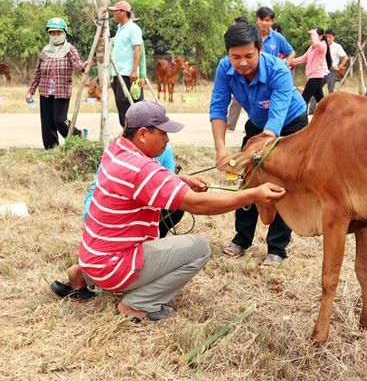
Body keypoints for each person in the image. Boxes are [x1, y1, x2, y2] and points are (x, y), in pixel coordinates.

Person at [50, 101, 286, 321]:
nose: (167, 140)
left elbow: (142, 184)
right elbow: (197, 204)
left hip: (92, 257)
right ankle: (138, 304)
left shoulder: (117, 148)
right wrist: (253, 194)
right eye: (162, 132)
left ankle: (81, 274)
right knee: (199, 249)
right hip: (113, 266)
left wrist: (178, 180)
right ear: (142, 134)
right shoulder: (142, 169)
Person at [209, 23, 308, 268]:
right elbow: (218, 108)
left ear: (260, 49)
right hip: (257, 124)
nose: (242, 63)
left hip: (290, 123)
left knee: (281, 183)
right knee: (247, 179)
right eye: (235, 57)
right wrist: (221, 149)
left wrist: (253, 156)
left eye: (248, 56)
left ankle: (277, 249)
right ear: (228, 54)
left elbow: (274, 123)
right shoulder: (224, 69)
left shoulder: (279, 70)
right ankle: (241, 239)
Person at [82, 144, 184, 238]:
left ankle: (154, 240)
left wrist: (182, 183)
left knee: (176, 206)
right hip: (121, 215)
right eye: (161, 132)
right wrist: (90, 219)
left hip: (145, 207)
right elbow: (95, 190)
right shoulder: (119, 156)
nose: (166, 138)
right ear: (142, 133)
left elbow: (169, 188)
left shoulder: (165, 151)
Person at [26, 17, 87, 150]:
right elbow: (38, 73)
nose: (55, 35)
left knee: (59, 121)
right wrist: (31, 91)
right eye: (52, 32)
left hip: (62, 92)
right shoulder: (45, 51)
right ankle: (51, 150)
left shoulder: (69, 49)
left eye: (58, 32)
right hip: (45, 92)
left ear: (64, 33)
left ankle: (78, 136)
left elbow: (77, 65)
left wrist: (83, 67)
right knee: (47, 124)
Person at [109, 0, 145, 127]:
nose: (113, 13)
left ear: (123, 12)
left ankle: (135, 132)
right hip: (117, 74)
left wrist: (135, 70)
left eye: (115, 11)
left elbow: (138, 49)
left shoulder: (133, 29)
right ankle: (126, 131)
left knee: (131, 105)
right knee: (120, 104)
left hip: (128, 74)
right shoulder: (119, 30)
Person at [292, 28, 331, 107]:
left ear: (320, 36)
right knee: (321, 101)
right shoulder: (312, 47)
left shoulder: (323, 46)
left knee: (304, 100)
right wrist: (288, 61)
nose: (312, 38)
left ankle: (303, 119)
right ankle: (331, 115)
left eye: (315, 36)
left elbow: (317, 44)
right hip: (314, 77)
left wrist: (313, 33)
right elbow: (303, 58)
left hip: (316, 77)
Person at [226, 16, 250, 132]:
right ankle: (230, 124)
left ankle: (256, 124)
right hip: (238, 76)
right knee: (237, 100)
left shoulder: (253, 38)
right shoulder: (232, 39)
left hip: (260, 76)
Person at [324, 29, 348, 93]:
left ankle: (332, 102)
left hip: (331, 71)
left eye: (330, 37)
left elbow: (345, 57)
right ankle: (314, 103)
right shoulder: (322, 45)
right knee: (316, 90)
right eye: (326, 37)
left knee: (331, 91)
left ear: (333, 38)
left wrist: (339, 67)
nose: (328, 39)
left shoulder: (337, 46)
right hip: (321, 71)